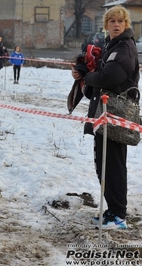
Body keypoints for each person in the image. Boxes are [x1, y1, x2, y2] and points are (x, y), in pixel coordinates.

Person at [71, 5, 139, 230]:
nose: (117, 25)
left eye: (121, 21)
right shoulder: (113, 46)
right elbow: (98, 79)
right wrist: (84, 74)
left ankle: (119, 215)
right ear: (106, 25)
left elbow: (108, 78)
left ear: (126, 24)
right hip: (105, 115)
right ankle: (111, 209)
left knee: (114, 166)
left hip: (116, 118)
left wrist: (89, 76)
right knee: (104, 164)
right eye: (113, 21)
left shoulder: (125, 48)